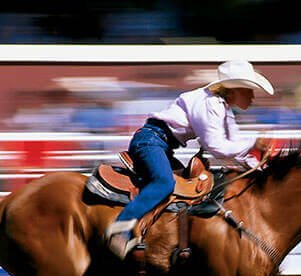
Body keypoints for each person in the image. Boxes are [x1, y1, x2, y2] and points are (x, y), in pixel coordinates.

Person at [105, 60, 275, 259]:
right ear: (234, 90)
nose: (253, 96)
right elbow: (217, 147)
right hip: (151, 141)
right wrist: (255, 142)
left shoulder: (222, 107)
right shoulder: (210, 104)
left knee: (181, 188)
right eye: (249, 91)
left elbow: (236, 147)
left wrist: (260, 169)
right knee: (164, 183)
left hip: (160, 143)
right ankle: (118, 229)